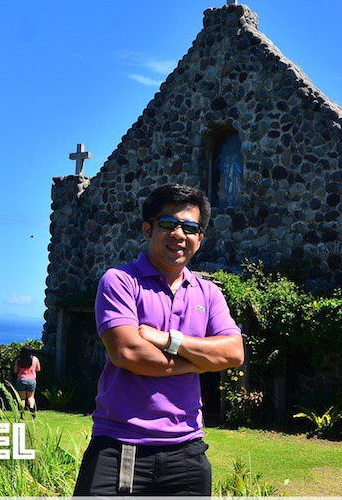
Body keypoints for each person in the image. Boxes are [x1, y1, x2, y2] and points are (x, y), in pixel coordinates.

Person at [73, 183, 244, 496]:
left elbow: (233, 353)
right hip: (121, 446)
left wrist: (168, 340)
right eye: (168, 224)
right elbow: (128, 353)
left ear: (200, 239)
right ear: (147, 229)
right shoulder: (120, 282)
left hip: (188, 453)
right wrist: (200, 364)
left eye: (191, 227)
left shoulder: (209, 293)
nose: (179, 234)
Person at [13, 346, 41, 419]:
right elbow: (38, 369)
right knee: (31, 397)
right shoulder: (35, 359)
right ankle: (31, 408)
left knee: (22, 398)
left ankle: (22, 414)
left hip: (21, 380)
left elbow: (15, 371)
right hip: (32, 380)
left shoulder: (19, 360)